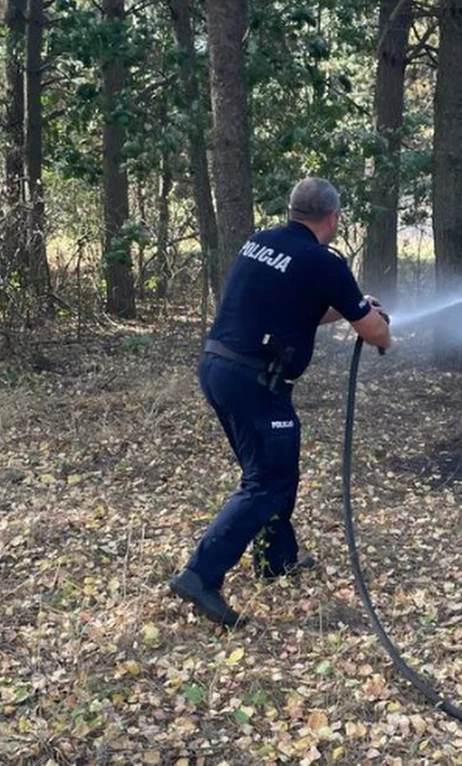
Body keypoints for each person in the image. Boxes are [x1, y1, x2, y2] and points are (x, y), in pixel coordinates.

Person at [170, 178, 392, 627]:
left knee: (277, 468)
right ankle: (199, 574)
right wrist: (375, 323)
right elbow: (374, 333)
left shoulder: (262, 242)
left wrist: (352, 307)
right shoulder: (321, 261)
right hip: (254, 381)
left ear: (293, 210)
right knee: (267, 479)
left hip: (220, 368)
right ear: (332, 218)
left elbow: (303, 306)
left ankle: (276, 559)